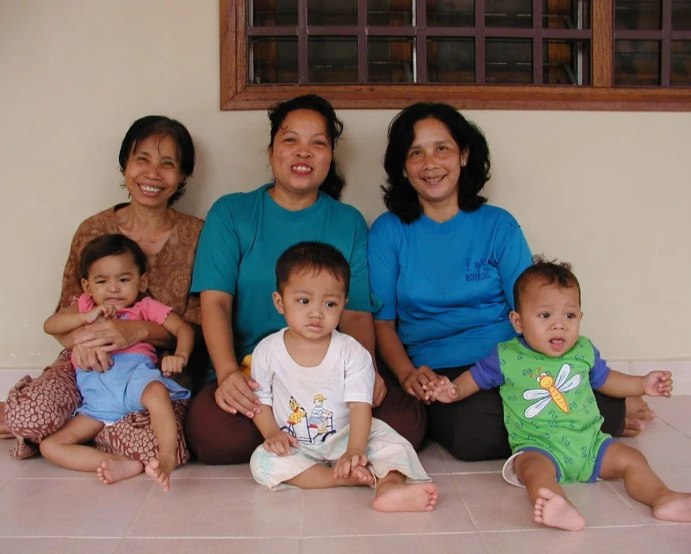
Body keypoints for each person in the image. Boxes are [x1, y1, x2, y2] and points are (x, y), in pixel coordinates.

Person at [368, 102, 643, 462]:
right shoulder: (389, 231)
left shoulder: (498, 225)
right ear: (403, 166)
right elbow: (382, 324)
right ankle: (578, 419)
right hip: (438, 369)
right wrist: (406, 374)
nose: (430, 163)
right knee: (473, 436)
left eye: (442, 149)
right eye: (415, 152)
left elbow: (533, 307)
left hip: (514, 360)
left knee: (524, 403)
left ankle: (576, 412)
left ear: (463, 155)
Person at [186, 94, 425, 465]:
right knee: (212, 437)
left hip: (331, 372)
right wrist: (228, 372)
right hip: (256, 373)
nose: (304, 152)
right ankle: (311, 440)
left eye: (318, 143)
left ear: (330, 156)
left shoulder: (347, 221)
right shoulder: (232, 213)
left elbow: (357, 313)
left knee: (405, 423)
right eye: (290, 140)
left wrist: (368, 372)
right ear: (271, 151)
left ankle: (311, 441)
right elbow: (215, 302)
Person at [0, 115, 203, 467]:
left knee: (159, 449)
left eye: (168, 164)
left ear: (182, 176)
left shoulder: (197, 235)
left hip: (148, 370)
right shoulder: (93, 229)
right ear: (125, 166)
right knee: (30, 415)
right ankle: (38, 418)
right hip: (84, 366)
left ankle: (84, 429)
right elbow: (64, 316)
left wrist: (134, 330)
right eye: (142, 159)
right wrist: (85, 345)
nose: (153, 173)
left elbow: (195, 325)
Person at [425, 258, 691, 530]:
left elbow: (606, 380)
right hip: (539, 446)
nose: (559, 325)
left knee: (633, 460)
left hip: (590, 444)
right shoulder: (507, 356)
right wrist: (453, 391)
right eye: (545, 316)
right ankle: (558, 506)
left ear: (580, 317)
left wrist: (642, 384)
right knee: (531, 470)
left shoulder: (583, 350)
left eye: (569, 315)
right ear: (518, 322)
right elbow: (475, 378)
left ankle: (663, 498)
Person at [249, 242, 437, 512]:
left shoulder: (352, 351)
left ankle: (390, 487)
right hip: (295, 442)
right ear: (280, 302)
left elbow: (361, 405)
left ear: (343, 305)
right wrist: (271, 433)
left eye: (330, 303)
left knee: (395, 446)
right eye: (303, 301)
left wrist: (355, 449)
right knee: (262, 461)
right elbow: (260, 400)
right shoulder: (266, 351)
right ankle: (341, 478)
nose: (316, 312)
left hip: (347, 436)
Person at [40, 234, 192, 491]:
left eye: (123, 280)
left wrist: (181, 356)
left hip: (135, 381)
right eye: (102, 281)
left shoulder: (145, 307)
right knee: (50, 446)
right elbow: (50, 325)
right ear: (87, 287)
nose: (113, 289)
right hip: (97, 400)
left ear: (141, 281)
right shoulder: (85, 306)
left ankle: (166, 456)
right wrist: (86, 316)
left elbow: (184, 330)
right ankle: (116, 462)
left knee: (156, 393)